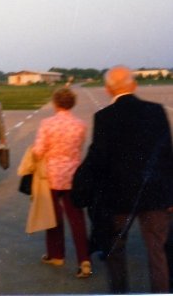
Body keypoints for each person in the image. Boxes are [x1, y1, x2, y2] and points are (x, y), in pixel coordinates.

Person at [72, 65, 173, 293]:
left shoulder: (104, 117)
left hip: (118, 198)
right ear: (134, 85)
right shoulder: (156, 111)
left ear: (108, 89)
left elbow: (99, 158)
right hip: (155, 195)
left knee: (115, 253)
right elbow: (167, 154)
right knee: (158, 253)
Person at [32, 88, 91, 278]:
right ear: (72, 103)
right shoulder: (80, 124)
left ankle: (56, 255)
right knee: (77, 219)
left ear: (55, 103)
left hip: (51, 175)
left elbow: (38, 151)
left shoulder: (47, 124)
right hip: (74, 176)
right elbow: (78, 148)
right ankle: (84, 259)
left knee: (53, 217)